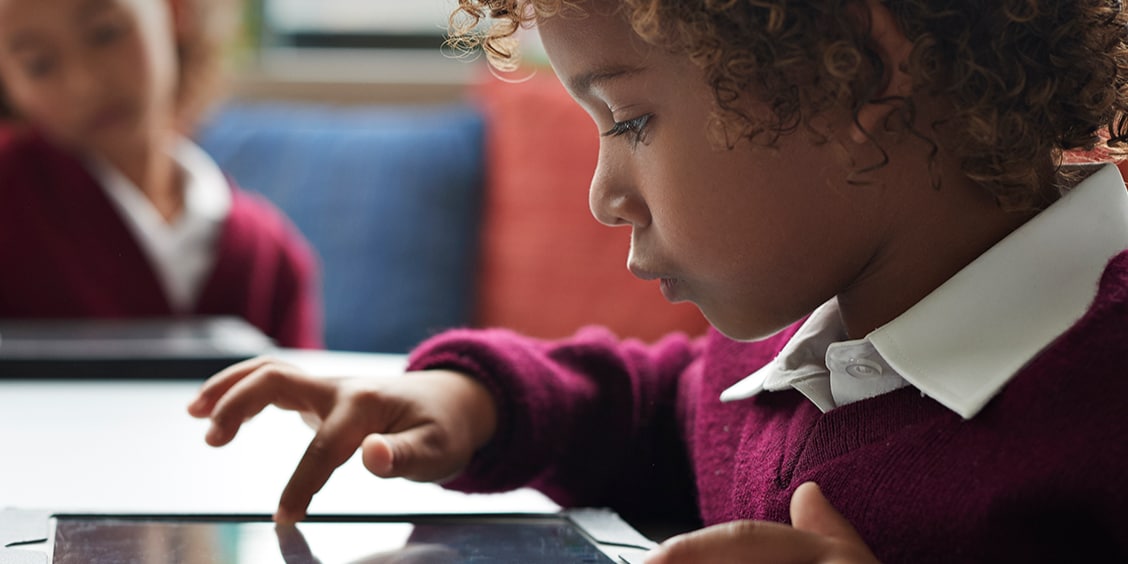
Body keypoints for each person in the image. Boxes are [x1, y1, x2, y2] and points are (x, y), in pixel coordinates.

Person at [189, 0, 1128, 561]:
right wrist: (475, 400)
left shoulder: (1096, 413)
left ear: (867, 72)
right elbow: (668, 416)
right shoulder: (805, 340)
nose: (603, 196)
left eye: (630, 120)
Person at [0, 0, 322, 348]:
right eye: (38, 64)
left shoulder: (269, 256)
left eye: (106, 33)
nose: (85, 83)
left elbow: (302, 398)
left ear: (174, 12)